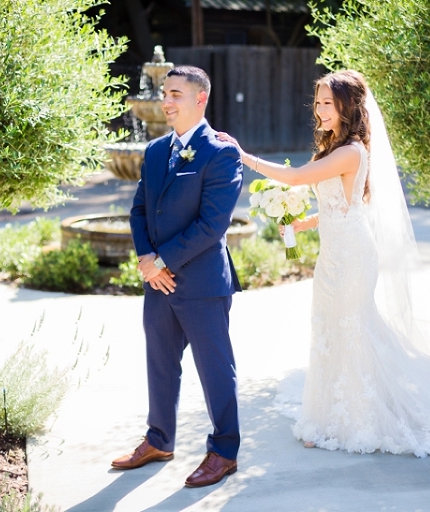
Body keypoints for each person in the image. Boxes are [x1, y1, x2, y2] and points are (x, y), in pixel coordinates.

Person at [216, 70, 430, 457]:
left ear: (348, 106)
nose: (320, 109)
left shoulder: (351, 150)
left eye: (328, 102)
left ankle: (359, 419)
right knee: (329, 329)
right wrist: (303, 221)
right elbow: (343, 204)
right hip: (333, 253)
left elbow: (295, 178)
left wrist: (245, 157)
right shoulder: (332, 146)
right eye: (318, 102)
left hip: (353, 256)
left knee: (352, 331)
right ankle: (327, 417)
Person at [111, 66, 243, 487]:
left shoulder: (221, 153)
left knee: (215, 369)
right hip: (158, 282)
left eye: (174, 95)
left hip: (202, 284)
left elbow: (212, 225)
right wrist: (148, 258)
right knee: (160, 364)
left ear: (200, 99)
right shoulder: (154, 152)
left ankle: (223, 452)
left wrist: (162, 261)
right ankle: (159, 439)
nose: (165, 101)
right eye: (164, 93)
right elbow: (139, 212)